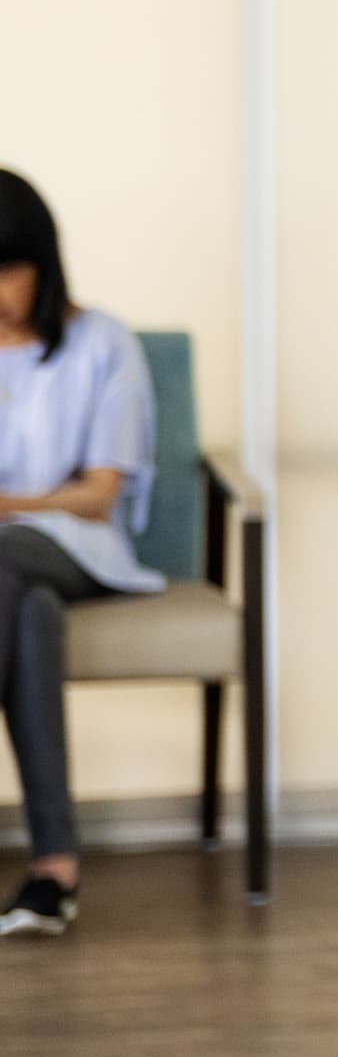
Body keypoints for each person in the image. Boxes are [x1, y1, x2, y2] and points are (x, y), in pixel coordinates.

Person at [0, 170, 163, 940]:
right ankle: (52, 872)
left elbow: (98, 493)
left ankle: (53, 869)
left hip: (82, 548)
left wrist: (17, 505)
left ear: (42, 261)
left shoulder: (105, 344)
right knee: (25, 610)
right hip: (14, 569)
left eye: (7, 267)